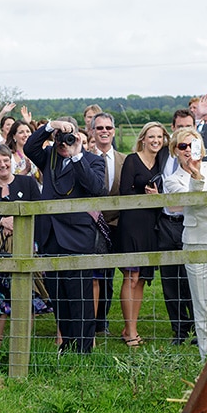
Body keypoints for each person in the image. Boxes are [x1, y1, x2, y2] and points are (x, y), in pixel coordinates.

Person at [24, 116, 106, 352]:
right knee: (58, 296)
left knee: (79, 296)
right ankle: (66, 345)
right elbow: (30, 147)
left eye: (69, 137)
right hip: (50, 236)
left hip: (77, 238)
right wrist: (51, 127)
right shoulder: (48, 157)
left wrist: (77, 154)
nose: (63, 142)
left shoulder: (92, 160)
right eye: (60, 138)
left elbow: (97, 189)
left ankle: (83, 349)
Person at [164, 126, 207, 360]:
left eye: (192, 144)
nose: (188, 150)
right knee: (202, 307)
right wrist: (196, 177)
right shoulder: (172, 180)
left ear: (201, 147)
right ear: (175, 150)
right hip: (195, 243)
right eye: (182, 146)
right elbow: (191, 203)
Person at [0, 144, 44, 345]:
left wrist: (18, 223)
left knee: (26, 292)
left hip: (26, 247)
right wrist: (1, 221)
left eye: (6, 160)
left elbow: (39, 211)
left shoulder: (27, 183)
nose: (3, 164)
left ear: (11, 161)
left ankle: (23, 339)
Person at [116, 121, 168, 348]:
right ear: (143, 138)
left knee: (143, 279)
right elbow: (124, 191)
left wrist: (158, 195)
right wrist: (143, 194)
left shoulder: (163, 162)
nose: (156, 140)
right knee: (132, 276)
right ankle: (131, 332)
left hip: (151, 224)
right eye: (152, 136)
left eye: (160, 137)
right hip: (132, 224)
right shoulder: (131, 160)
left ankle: (130, 326)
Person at [159, 109, 196, 344]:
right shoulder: (162, 155)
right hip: (166, 223)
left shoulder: (201, 156)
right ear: (173, 128)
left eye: (188, 126)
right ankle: (179, 330)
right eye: (179, 126)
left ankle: (196, 327)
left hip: (192, 222)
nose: (183, 130)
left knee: (193, 276)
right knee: (170, 279)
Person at [88, 112, 124, 337]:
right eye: (99, 128)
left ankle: (102, 321)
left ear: (113, 130)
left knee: (108, 277)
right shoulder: (82, 157)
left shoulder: (124, 159)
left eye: (108, 128)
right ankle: (88, 321)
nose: (104, 131)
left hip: (115, 224)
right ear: (92, 131)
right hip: (89, 225)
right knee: (91, 276)